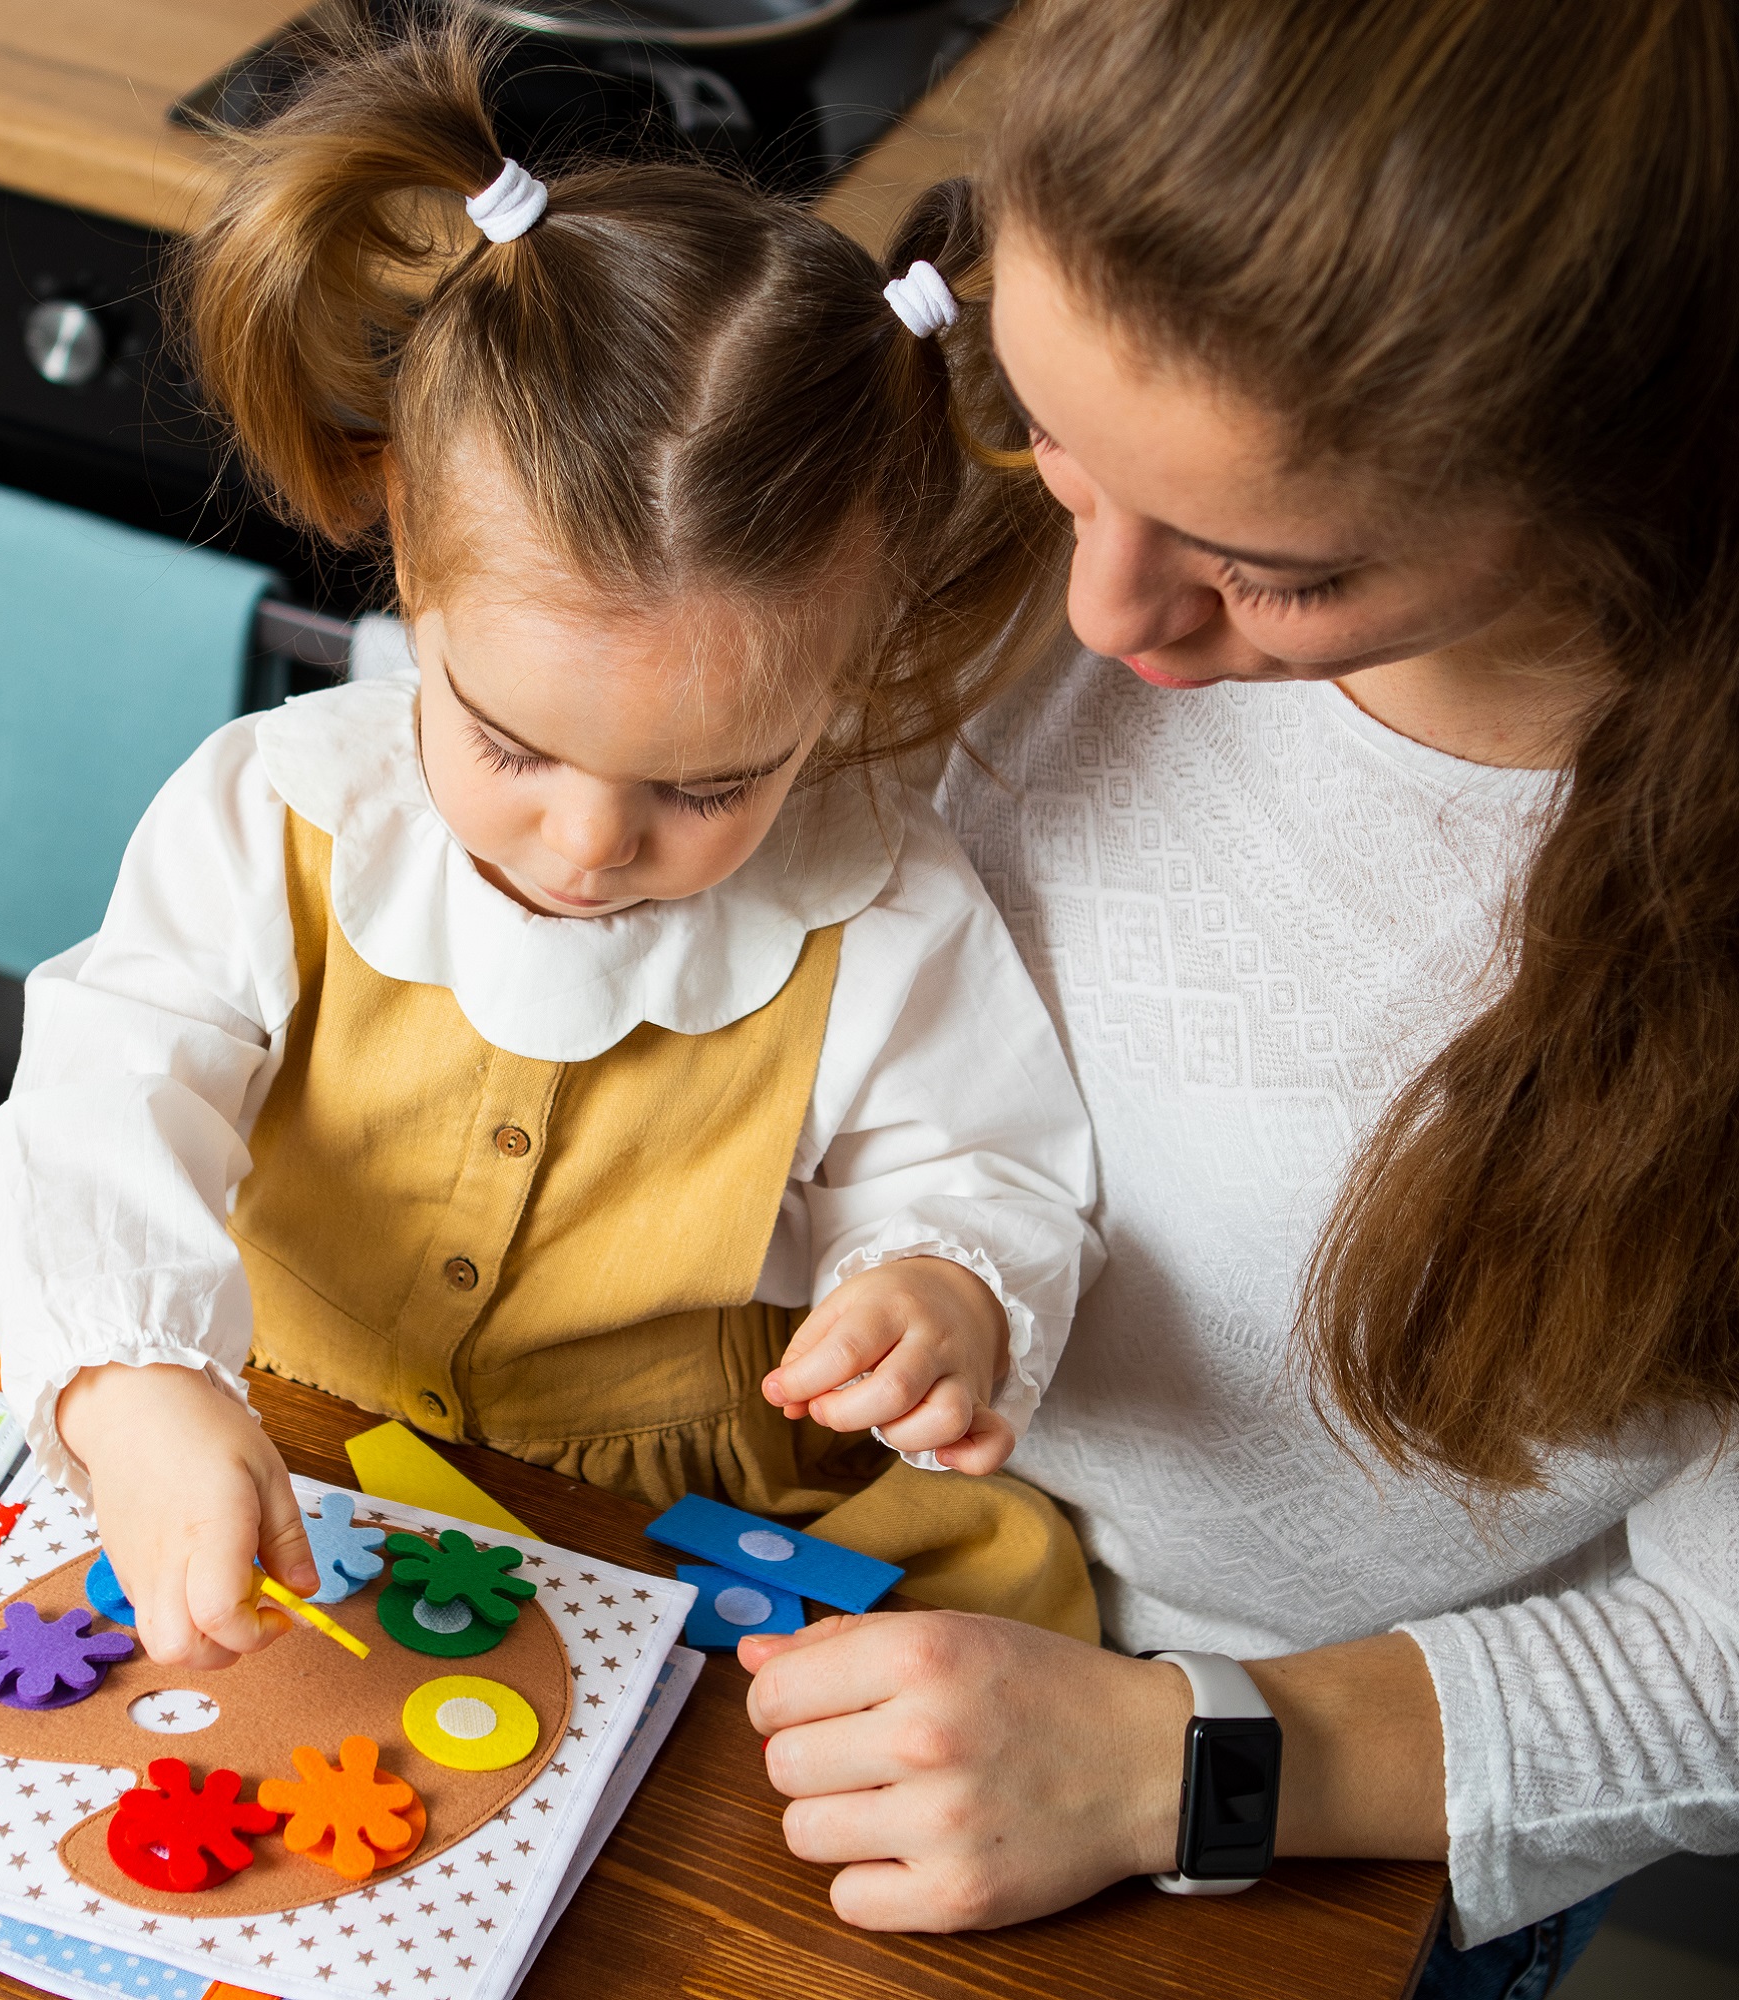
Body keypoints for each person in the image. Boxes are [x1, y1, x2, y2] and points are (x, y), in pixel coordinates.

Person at [737, 0, 1739, 1992]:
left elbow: (1710, 1664)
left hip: (1234, 1833)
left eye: (1269, 571)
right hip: (707, 1573)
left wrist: (1174, 1761)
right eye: (1049, 438)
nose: (1106, 621)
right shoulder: (922, 432)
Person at [0, 29, 1101, 1674]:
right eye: (508, 743)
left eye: (710, 788)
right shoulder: (275, 814)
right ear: (410, 552)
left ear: (844, 675)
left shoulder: (884, 906)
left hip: (665, 1549)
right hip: (285, 1456)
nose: (588, 844)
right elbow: (96, 1099)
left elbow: (982, 1171)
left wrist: (940, 1294)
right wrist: (135, 1382)